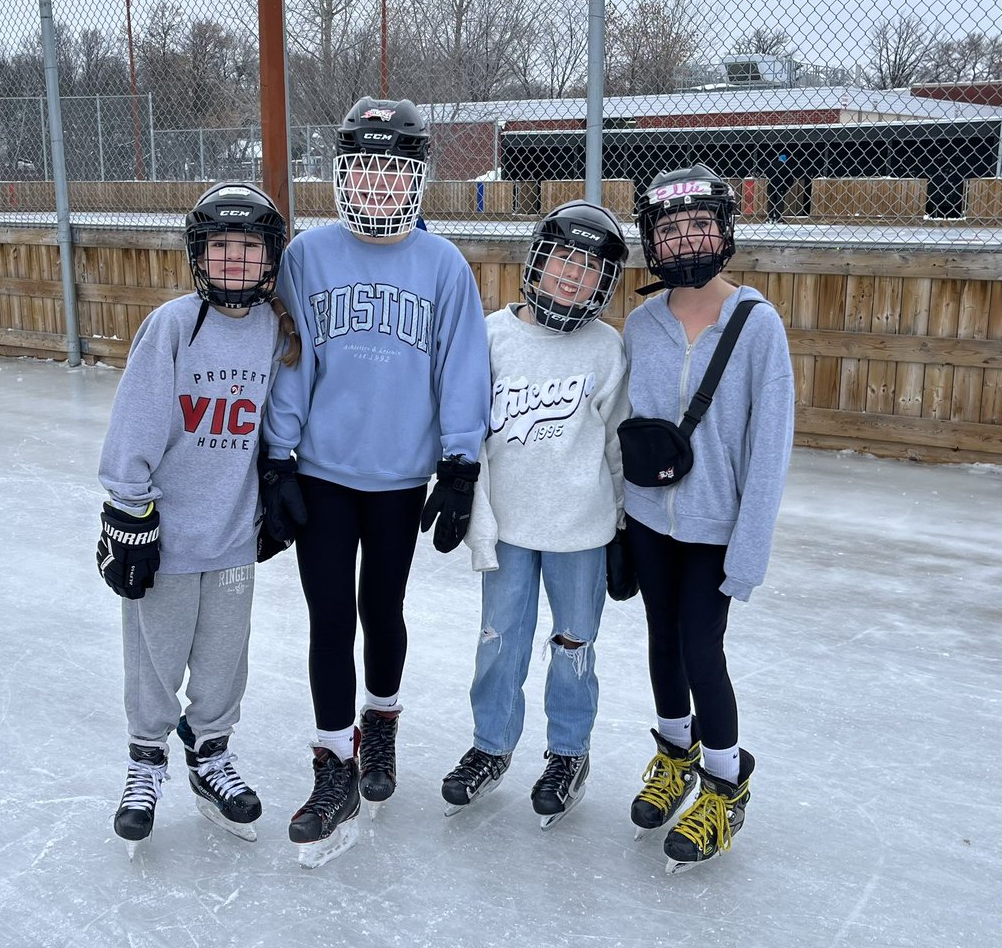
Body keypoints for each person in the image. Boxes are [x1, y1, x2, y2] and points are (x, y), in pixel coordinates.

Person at [260, 97, 491, 867]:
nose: (380, 186)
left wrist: (460, 462)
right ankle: (333, 764)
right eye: (366, 170)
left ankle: (380, 723)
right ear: (343, 176)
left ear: (416, 180)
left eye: (395, 172)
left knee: (381, 608)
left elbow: (461, 368)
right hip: (323, 474)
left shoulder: (443, 266)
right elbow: (292, 364)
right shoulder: (306, 258)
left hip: (398, 478)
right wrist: (277, 457)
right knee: (330, 616)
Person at [96, 182, 300, 853]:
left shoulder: (276, 329)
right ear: (199, 256)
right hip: (167, 537)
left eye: (250, 249)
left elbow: (280, 417)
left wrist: (279, 475)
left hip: (233, 536)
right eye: (222, 248)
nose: (235, 261)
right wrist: (128, 513)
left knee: (221, 660)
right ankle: (144, 760)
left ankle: (210, 754)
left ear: (271, 258)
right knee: (155, 657)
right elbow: (136, 428)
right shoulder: (174, 326)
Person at [623, 164, 794, 872]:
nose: (686, 239)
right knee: (662, 640)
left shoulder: (756, 326)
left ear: (724, 231)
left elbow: (769, 447)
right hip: (647, 521)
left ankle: (724, 780)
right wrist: (616, 528)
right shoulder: (639, 323)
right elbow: (623, 429)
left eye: (699, 224)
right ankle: (673, 754)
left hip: (715, 530)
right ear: (652, 242)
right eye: (670, 229)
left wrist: (746, 553)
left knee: (702, 646)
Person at [442, 201, 631, 829]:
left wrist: (625, 527)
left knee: (574, 645)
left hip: (582, 529)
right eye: (563, 261)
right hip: (511, 526)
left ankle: (568, 753)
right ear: (538, 262)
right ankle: (492, 745)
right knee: (500, 642)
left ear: (604, 286)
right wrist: (466, 499)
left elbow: (615, 444)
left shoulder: (607, 349)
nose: (572, 277)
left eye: (590, 270)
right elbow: (467, 425)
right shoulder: (493, 335)